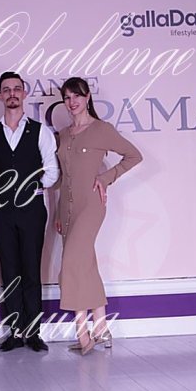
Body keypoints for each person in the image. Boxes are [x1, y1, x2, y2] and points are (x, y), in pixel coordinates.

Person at [55, 77, 143, 354]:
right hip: (67, 208)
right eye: (67, 97)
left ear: (87, 97)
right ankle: (102, 327)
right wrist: (58, 211)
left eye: (76, 96)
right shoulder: (64, 134)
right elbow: (64, 178)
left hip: (92, 204)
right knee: (86, 264)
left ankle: (83, 333)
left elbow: (134, 155)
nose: (72, 102)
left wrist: (106, 178)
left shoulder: (101, 129)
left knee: (71, 262)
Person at [0, 71, 60, 353]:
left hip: (31, 210)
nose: (12, 94)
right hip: (1, 211)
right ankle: (15, 332)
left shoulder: (40, 131)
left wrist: (31, 186)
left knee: (31, 269)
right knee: (9, 270)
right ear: (0, 95)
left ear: (24, 94)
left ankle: (33, 332)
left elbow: (52, 171)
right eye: (6, 90)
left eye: (16, 89)